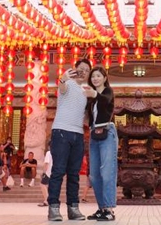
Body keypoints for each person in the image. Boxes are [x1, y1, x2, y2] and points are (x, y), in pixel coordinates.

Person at [46, 59, 92, 221]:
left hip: (78, 135)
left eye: (87, 70)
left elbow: (86, 115)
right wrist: (63, 78)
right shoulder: (68, 83)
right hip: (61, 132)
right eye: (81, 68)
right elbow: (62, 87)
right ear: (75, 69)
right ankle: (53, 208)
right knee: (58, 171)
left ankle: (73, 208)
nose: (83, 71)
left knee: (74, 174)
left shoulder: (86, 90)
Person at [83, 66, 117, 221]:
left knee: (106, 171)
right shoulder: (91, 99)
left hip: (107, 133)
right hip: (94, 134)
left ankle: (109, 209)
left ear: (104, 78)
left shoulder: (107, 92)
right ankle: (101, 208)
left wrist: (95, 94)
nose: (95, 78)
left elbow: (105, 101)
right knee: (94, 175)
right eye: (93, 76)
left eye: (98, 76)